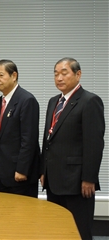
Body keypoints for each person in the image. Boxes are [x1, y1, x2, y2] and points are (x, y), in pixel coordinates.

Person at [40, 57, 105, 239]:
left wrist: (89, 178)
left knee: (79, 230)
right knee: (58, 229)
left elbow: (94, 143)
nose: (59, 78)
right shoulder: (54, 102)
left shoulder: (90, 101)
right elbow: (48, 140)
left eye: (64, 73)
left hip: (77, 182)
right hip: (53, 180)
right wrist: (43, 170)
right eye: (56, 74)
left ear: (78, 74)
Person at [0, 59, 40, 198]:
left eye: (1, 75)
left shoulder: (26, 100)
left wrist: (22, 170)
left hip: (19, 174)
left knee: (22, 216)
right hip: (3, 172)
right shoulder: (0, 101)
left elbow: (29, 139)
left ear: (14, 76)